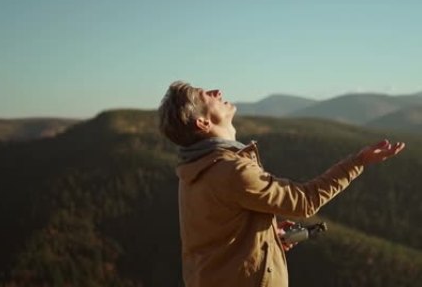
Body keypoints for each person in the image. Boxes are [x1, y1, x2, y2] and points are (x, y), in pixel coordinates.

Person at [157, 81, 406, 287]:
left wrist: (266, 235)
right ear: (203, 123)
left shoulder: (194, 168)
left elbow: (217, 234)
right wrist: (359, 161)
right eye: (206, 96)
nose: (217, 92)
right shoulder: (231, 170)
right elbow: (305, 201)